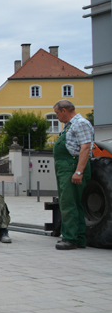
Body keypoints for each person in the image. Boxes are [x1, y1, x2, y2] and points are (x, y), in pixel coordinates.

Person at [52, 100, 94, 250]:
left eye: (57, 113)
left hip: (72, 168)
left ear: (64, 110)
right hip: (67, 168)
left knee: (68, 203)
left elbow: (85, 147)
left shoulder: (80, 123)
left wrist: (78, 171)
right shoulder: (70, 126)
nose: (56, 117)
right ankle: (79, 238)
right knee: (75, 203)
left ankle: (70, 238)